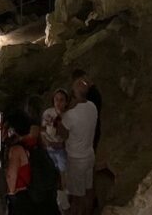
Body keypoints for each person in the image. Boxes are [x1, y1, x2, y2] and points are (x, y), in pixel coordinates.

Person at [61, 76, 98, 215]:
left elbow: (62, 134)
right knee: (88, 190)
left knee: (77, 196)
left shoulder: (70, 115)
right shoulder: (92, 107)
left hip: (76, 160)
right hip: (89, 155)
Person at [41, 90, 69, 211]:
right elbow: (42, 129)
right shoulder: (48, 113)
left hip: (62, 149)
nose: (58, 102)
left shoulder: (69, 116)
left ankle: (64, 201)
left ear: (66, 102)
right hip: (48, 148)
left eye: (61, 100)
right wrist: (45, 140)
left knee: (63, 173)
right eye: (56, 99)